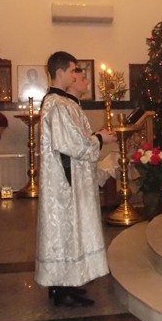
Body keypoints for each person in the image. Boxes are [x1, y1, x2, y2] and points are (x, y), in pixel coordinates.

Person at [35, 51, 115, 307]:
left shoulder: (62, 102)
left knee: (70, 231)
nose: (76, 75)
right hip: (63, 184)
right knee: (63, 231)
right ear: (59, 73)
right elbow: (72, 145)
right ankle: (61, 290)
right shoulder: (57, 104)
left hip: (69, 180)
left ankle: (66, 283)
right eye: (73, 70)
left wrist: (94, 138)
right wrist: (100, 138)